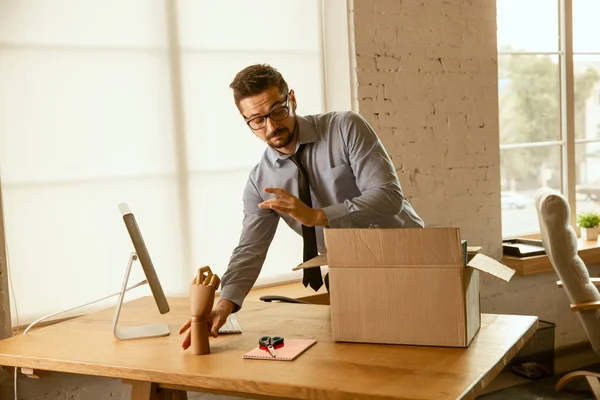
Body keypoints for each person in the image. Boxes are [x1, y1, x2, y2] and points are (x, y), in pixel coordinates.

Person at [179, 64, 424, 349]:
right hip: (350, 273)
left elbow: (388, 196)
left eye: (277, 111)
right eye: (257, 120)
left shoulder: (345, 127)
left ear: (292, 100)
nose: (271, 127)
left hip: (411, 261)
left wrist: (318, 216)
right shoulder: (260, 180)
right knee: (363, 366)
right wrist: (225, 305)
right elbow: (251, 248)